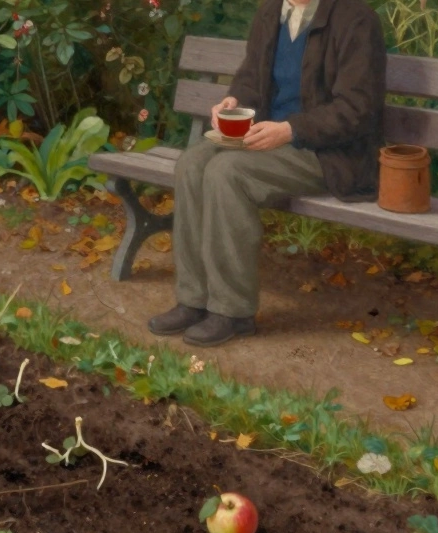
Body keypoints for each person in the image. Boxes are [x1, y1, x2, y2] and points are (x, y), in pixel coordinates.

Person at [148, 0, 387, 346]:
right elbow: (250, 81)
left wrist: (291, 129)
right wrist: (232, 102)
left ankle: (233, 311)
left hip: (329, 153)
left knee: (227, 171)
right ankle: (193, 300)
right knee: (192, 163)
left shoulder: (356, 19)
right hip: (268, 138)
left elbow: (357, 109)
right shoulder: (270, 12)